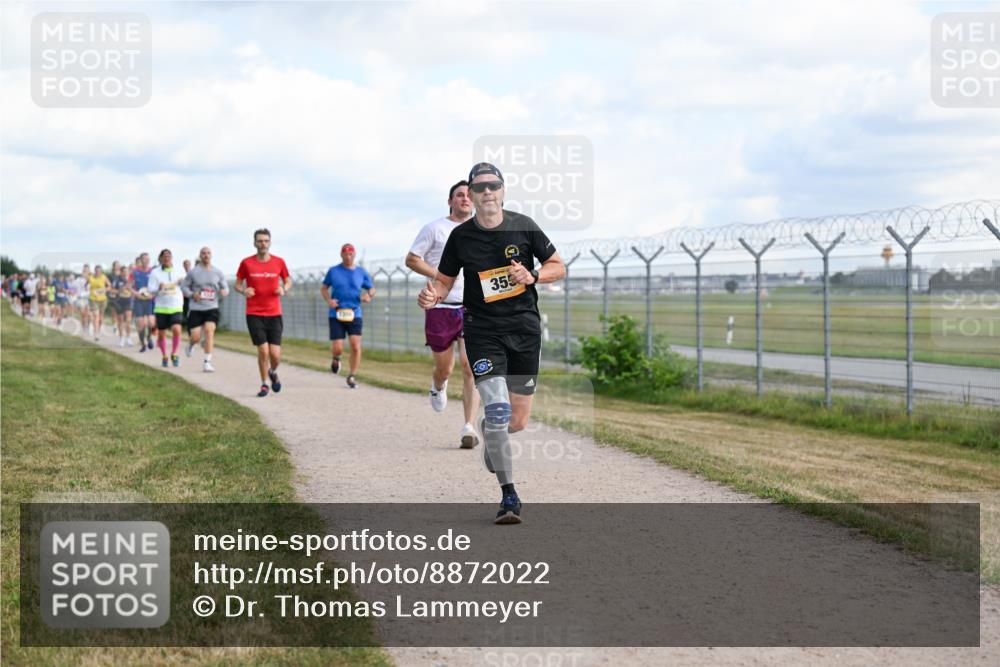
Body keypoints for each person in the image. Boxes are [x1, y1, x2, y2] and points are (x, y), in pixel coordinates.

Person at [418, 162, 566, 524]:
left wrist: (532, 275)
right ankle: (509, 495)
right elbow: (444, 281)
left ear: (503, 190)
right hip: (482, 331)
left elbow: (558, 265)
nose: (487, 192)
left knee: (517, 421)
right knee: (498, 409)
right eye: (480, 187)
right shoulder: (461, 237)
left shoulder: (523, 225)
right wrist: (434, 296)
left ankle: (490, 432)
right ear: (470, 194)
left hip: (524, 331)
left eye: (493, 186)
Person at [406, 180, 481, 448]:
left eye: (469, 195)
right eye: (459, 195)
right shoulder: (435, 229)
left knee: (471, 367)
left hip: (472, 307)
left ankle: (469, 427)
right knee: (445, 368)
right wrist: (439, 274)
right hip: (440, 307)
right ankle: (438, 385)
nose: (465, 199)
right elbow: (412, 259)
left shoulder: (481, 229)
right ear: (450, 201)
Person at [235, 228, 291, 397]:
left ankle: (272, 372)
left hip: (274, 313)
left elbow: (288, 281)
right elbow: (237, 284)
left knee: (275, 355)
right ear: (254, 243)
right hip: (254, 313)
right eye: (260, 241)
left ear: (270, 242)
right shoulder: (246, 263)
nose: (263, 244)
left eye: (266, 241)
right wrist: (244, 291)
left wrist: (284, 289)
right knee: (263, 350)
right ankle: (264, 383)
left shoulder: (279, 262)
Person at [320, 243, 375, 389]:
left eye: (351, 254)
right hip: (336, 313)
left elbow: (371, 288)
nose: (348, 257)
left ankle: (351, 375)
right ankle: (336, 358)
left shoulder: (361, 272)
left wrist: (368, 295)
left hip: (354, 313)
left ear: (354, 255)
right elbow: (324, 288)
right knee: (338, 347)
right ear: (341, 255)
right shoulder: (333, 271)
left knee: (355, 346)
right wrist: (329, 300)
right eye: (346, 254)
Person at [181, 246, 229, 372]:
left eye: (208, 253)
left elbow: (225, 287)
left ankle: (207, 362)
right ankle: (191, 344)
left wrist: (224, 291)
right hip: (196, 308)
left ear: (211, 255)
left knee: (209, 331)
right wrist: (192, 294)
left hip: (212, 307)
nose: (206, 255)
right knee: (196, 337)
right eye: (203, 253)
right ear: (200, 256)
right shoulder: (193, 272)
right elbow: (184, 287)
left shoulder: (218, 272)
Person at [147, 249, 186, 368]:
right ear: (160, 258)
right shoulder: (155, 272)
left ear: (171, 258)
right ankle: (164, 355)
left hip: (176, 305)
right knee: (161, 334)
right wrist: (158, 288)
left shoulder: (179, 270)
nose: (166, 258)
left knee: (177, 329)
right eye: (164, 256)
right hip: (161, 307)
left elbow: (186, 285)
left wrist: (182, 282)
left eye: (169, 256)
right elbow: (150, 290)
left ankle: (174, 353)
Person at [131, 253, 156, 352]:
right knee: (140, 323)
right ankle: (143, 344)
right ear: (141, 260)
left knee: (151, 322)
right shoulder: (135, 272)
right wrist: (136, 293)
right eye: (144, 259)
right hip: (139, 301)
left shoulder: (153, 272)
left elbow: (158, 286)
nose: (146, 260)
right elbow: (128, 286)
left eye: (148, 259)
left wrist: (153, 295)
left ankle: (149, 337)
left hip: (150, 300)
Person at [109, 265, 134, 347]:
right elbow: (112, 290)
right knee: (120, 321)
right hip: (119, 302)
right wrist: (121, 290)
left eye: (127, 271)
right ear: (121, 272)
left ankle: (128, 338)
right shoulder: (117, 280)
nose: (125, 273)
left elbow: (135, 290)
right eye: (124, 272)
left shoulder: (131, 280)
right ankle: (121, 338)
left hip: (128, 301)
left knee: (128, 320)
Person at [87, 265, 111, 340]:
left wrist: (104, 290)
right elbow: (86, 285)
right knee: (96, 316)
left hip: (102, 299)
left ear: (101, 271)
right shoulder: (90, 277)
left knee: (101, 317)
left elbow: (109, 286)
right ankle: (96, 334)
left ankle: (99, 329)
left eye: (99, 271)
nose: (98, 272)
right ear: (95, 271)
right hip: (93, 299)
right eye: (96, 271)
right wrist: (87, 288)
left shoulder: (104, 277)